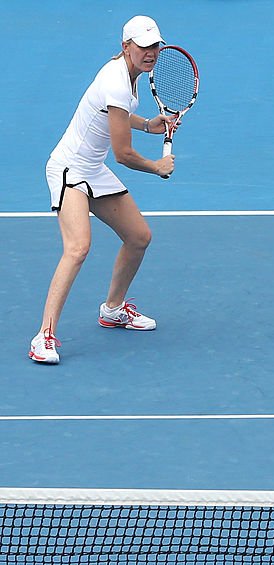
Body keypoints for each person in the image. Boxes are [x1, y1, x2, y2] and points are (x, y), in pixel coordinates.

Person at [30, 16, 177, 365]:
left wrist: (146, 124)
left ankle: (113, 309)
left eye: (155, 45)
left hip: (93, 169)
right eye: (143, 46)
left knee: (139, 236)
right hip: (69, 169)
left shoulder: (128, 75)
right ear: (126, 46)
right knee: (78, 247)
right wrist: (157, 167)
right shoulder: (116, 81)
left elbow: (113, 116)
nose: (151, 52)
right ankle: (43, 335)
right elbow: (123, 155)